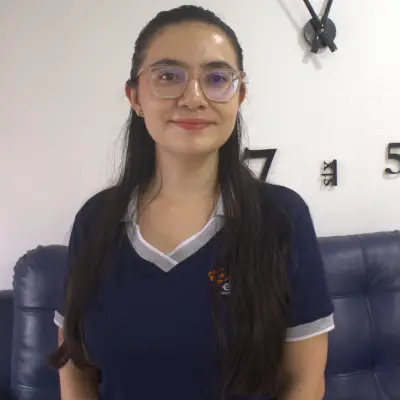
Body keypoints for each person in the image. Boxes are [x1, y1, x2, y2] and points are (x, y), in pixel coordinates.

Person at [49, 5, 334, 400]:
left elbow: (303, 382)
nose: (194, 98)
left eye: (217, 78)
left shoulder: (281, 217)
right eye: (168, 76)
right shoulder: (95, 221)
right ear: (134, 97)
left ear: (239, 96)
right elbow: (75, 373)